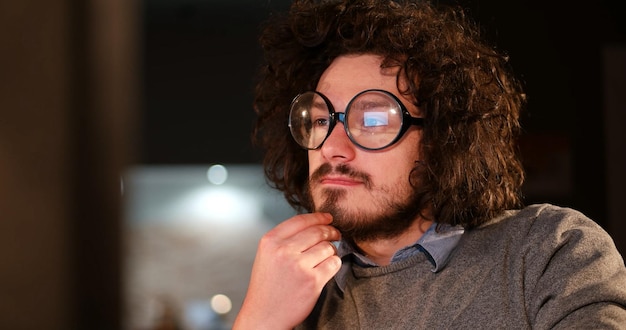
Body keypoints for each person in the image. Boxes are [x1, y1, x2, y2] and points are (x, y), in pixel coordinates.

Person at [233, 0, 626, 328]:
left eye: (373, 120)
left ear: (441, 138)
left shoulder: (547, 252)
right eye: (321, 120)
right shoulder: (299, 295)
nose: (333, 149)